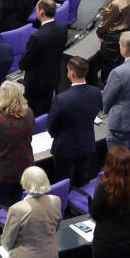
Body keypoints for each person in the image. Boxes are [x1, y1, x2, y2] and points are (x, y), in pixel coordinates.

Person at [0, 166, 62, 258]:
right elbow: (56, 227)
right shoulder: (56, 200)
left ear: (25, 182)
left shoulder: (17, 209)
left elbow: (7, 241)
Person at [0, 79, 34, 214]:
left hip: (1, 172)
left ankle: (2, 234)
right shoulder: (29, 114)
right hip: (23, 168)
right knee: (18, 205)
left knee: (1, 209)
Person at [48, 57, 103, 186]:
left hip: (65, 149)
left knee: (65, 183)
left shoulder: (61, 99)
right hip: (86, 144)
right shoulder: (96, 92)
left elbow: (51, 127)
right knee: (83, 180)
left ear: (72, 73)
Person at [20, 0, 67, 116]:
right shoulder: (62, 28)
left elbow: (25, 63)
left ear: (41, 12)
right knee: (47, 109)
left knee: (34, 114)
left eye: (37, 9)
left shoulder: (37, 37)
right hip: (53, 77)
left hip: (36, 85)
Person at [95, 0, 130, 83]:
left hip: (111, 37)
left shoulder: (116, 4)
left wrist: (99, 32)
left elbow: (106, 23)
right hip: (123, 32)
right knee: (116, 61)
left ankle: (105, 84)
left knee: (108, 64)